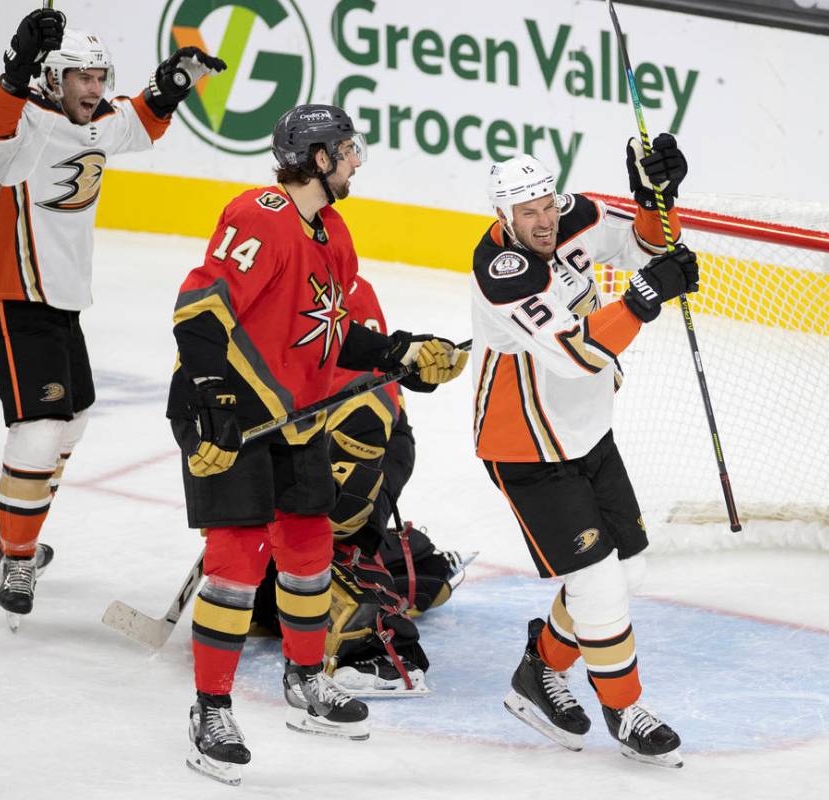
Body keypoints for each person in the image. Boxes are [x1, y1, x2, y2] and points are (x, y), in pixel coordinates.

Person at [167, 103, 467, 786]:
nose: (358, 159)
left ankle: (305, 682)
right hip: (229, 415)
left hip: (292, 417)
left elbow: (330, 335)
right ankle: (210, 709)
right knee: (237, 563)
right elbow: (198, 311)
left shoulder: (333, 232)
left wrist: (399, 353)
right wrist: (214, 403)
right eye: (349, 149)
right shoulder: (259, 215)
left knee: (306, 552)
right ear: (320, 158)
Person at [0, 7, 226, 628]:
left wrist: (170, 88)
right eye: (80, 77)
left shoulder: (99, 118)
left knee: (74, 418)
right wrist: (16, 66)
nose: (94, 88)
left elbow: (136, 124)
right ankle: (19, 558)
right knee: (40, 425)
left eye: (99, 75)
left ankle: (14, 539)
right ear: (51, 79)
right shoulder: (23, 119)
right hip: (10, 291)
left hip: (63, 299)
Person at [470, 135, 697, 768]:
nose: (543, 221)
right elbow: (574, 354)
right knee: (598, 582)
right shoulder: (502, 275)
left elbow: (646, 245)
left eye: (546, 205)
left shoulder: (576, 216)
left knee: (628, 573)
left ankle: (537, 670)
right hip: (527, 449)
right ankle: (624, 710)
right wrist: (646, 298)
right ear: (502, 218)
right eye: (527, 213)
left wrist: (657, 198)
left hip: (589, 432)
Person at [248, 272, 475, 697]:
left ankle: (385, 652)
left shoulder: (339, 289)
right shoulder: (267, 285)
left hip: (362, 440)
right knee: (273, 576)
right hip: (318, 437)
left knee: (334, 535)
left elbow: (368, 402)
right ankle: (415, 569)